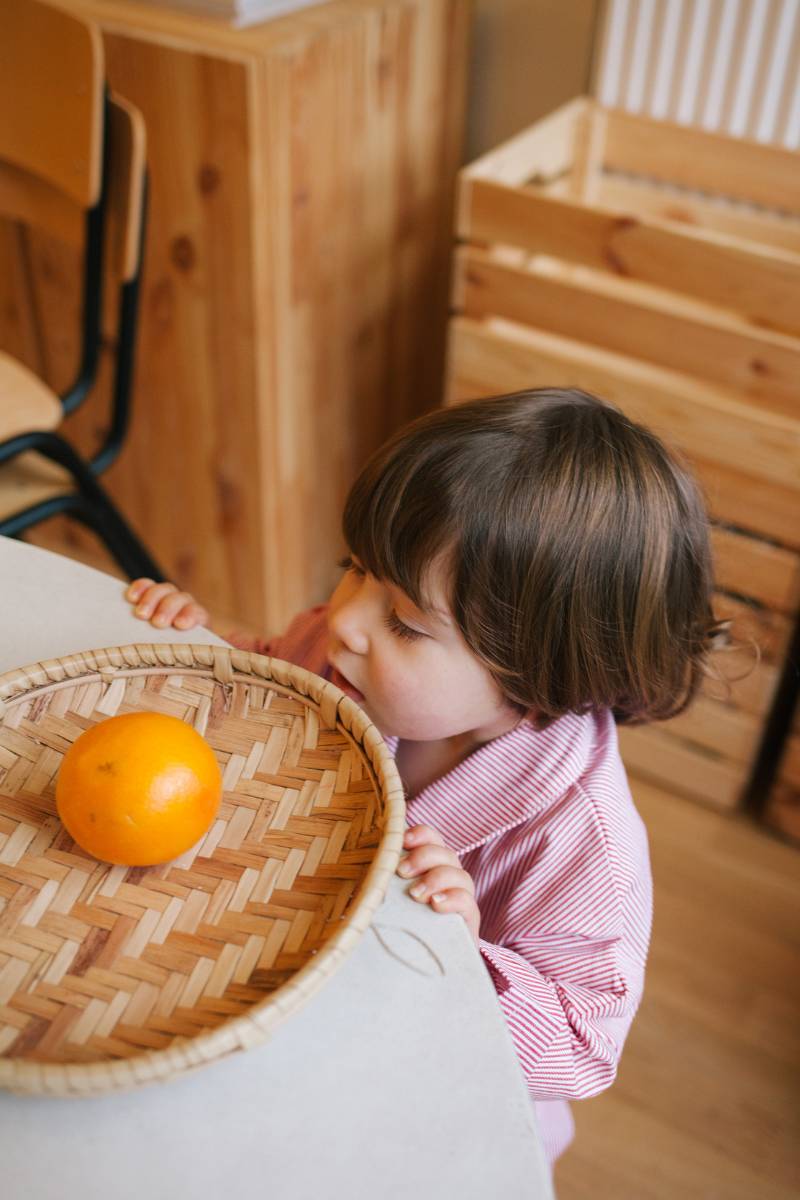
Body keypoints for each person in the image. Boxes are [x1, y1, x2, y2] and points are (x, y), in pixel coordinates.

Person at [126, 389, 718, 1171]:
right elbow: (269, 682)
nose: (346, 620)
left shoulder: (581, 843)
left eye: (405, 622)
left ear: (538, 673)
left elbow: (583, 1047)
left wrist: (465, 948)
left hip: (426, 1112)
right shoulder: (343, 654)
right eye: (355, 569)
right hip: (283, 1008)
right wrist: (203, 646)